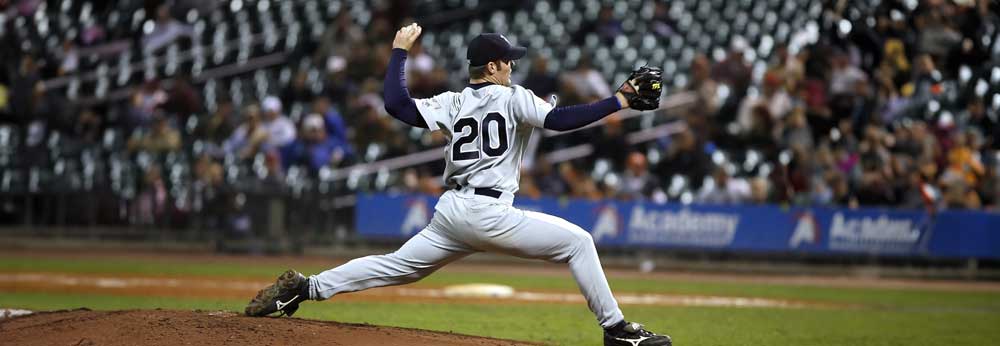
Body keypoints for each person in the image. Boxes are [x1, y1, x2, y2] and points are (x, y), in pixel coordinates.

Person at [244, 23, 672, 346]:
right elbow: (559, 121)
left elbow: (395, 103)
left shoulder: (452, 102)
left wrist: (398, 51)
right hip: (489, 212)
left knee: (396, 265)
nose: (512, 67)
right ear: (492, 66)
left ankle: (307, 287)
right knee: (579, 243)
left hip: (452, 213)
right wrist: (619, 100)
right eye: (508, 61)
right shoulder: (512, 96)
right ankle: (616, 330)